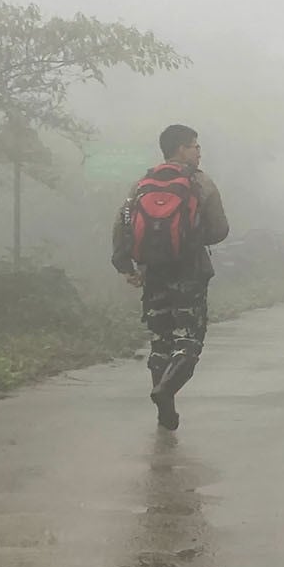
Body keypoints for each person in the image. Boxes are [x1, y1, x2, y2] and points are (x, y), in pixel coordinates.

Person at [111, 124, 231, 430]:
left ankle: (165, 409)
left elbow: (123, 223)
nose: (199, 152)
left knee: (160, 341)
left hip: (153, 273)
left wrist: (127, 266)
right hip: (190, 271)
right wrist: (191, 237)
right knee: (188, 339)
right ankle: (165, 390)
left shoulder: (142, 183)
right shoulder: (199, 182)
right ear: (180, 149)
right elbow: (220, 230)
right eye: (195, 146)